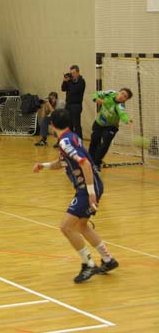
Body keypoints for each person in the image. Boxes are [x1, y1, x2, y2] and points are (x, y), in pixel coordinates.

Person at [32, 108, 118, 283]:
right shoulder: (71, 137)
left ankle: (88, 264)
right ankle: (108, 259)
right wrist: (44, 165)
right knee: (81, 225)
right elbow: (62, 162)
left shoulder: (65, 142)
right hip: (91, 185)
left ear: (52, 124)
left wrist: (91, 193)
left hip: (87, 188)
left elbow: (85, 164)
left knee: (66, 227)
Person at [89, 88, 133, 169]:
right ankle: (90, 159)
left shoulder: (120, 106)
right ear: (119, 92)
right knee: (94, 141)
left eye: (125, 97)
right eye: (122, 93)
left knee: (105, 144)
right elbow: (97, 94)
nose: (122, 96)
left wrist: (128, 121)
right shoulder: (111, 93)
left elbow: (123, 114)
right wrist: (96, 99)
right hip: (99, 122)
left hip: (111, 127)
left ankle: (96, 163)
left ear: (126, 100)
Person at [61, 65, 86, 139]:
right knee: (68, 125)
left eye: (74, 73)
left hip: (76, 106)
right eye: (71, 73)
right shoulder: (70, 81)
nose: (72, 75)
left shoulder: (81, 81)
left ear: (78, 72)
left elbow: (74, 90)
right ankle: (70, 141)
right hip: (68, 105)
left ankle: (79, 141)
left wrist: (69, 81)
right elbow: (63, 89)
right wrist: (64, 81)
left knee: (76, 125)